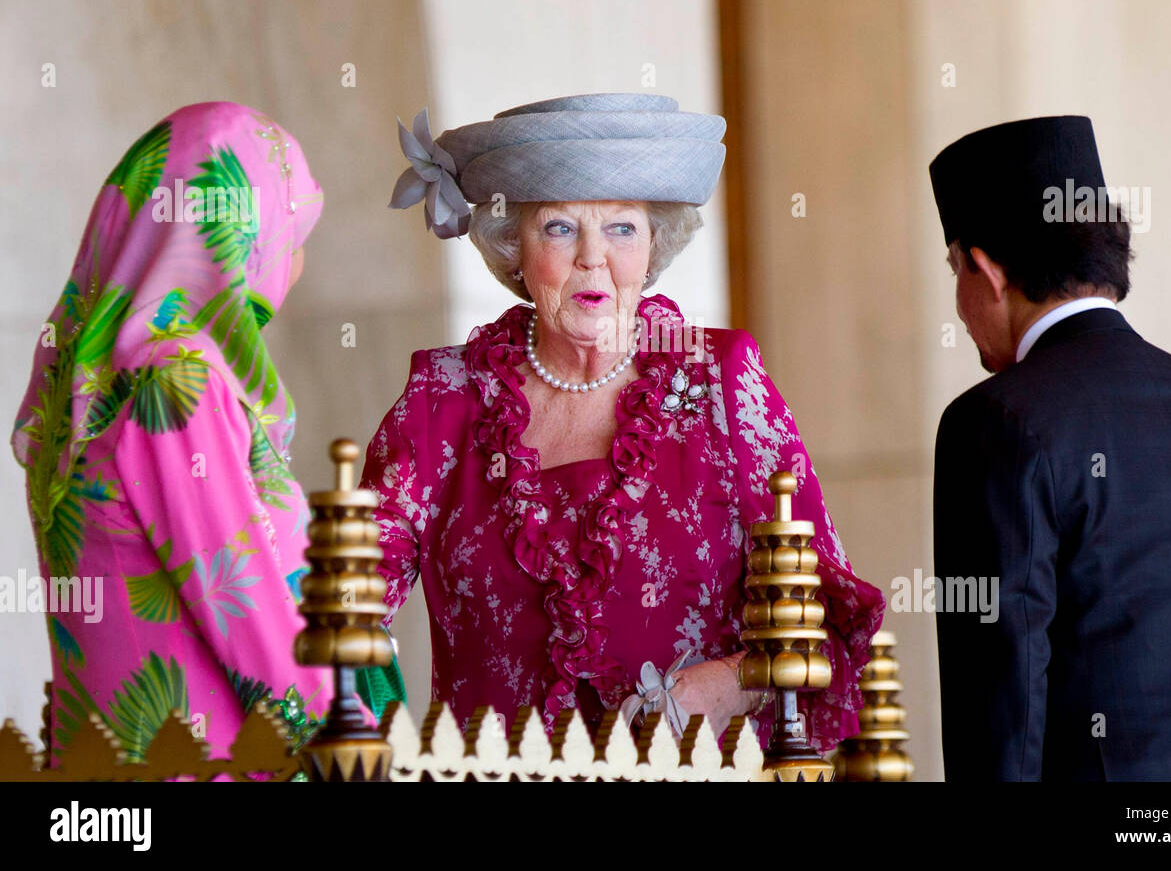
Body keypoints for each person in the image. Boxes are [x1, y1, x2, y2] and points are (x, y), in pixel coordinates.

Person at [368, 92, 884, 749]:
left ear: (653, 246)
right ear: (513, 249)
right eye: (558, 227)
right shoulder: (442, 399)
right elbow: (344, 606)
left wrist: (727, 684)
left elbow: (825, 614)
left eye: (621, 229)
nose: (593, 258)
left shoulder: (721, 381)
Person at [928, 114, 1171, 780]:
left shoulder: (990, 423)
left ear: (985, 271)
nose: (958, 303)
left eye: (954, 269)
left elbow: (998, 709)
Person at [11, 101, 333, 762]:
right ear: (241, 234)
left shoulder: (84, 373)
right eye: (292, 238)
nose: (294, 266)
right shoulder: (175, 382)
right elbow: (241, 602)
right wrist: (348, 733)